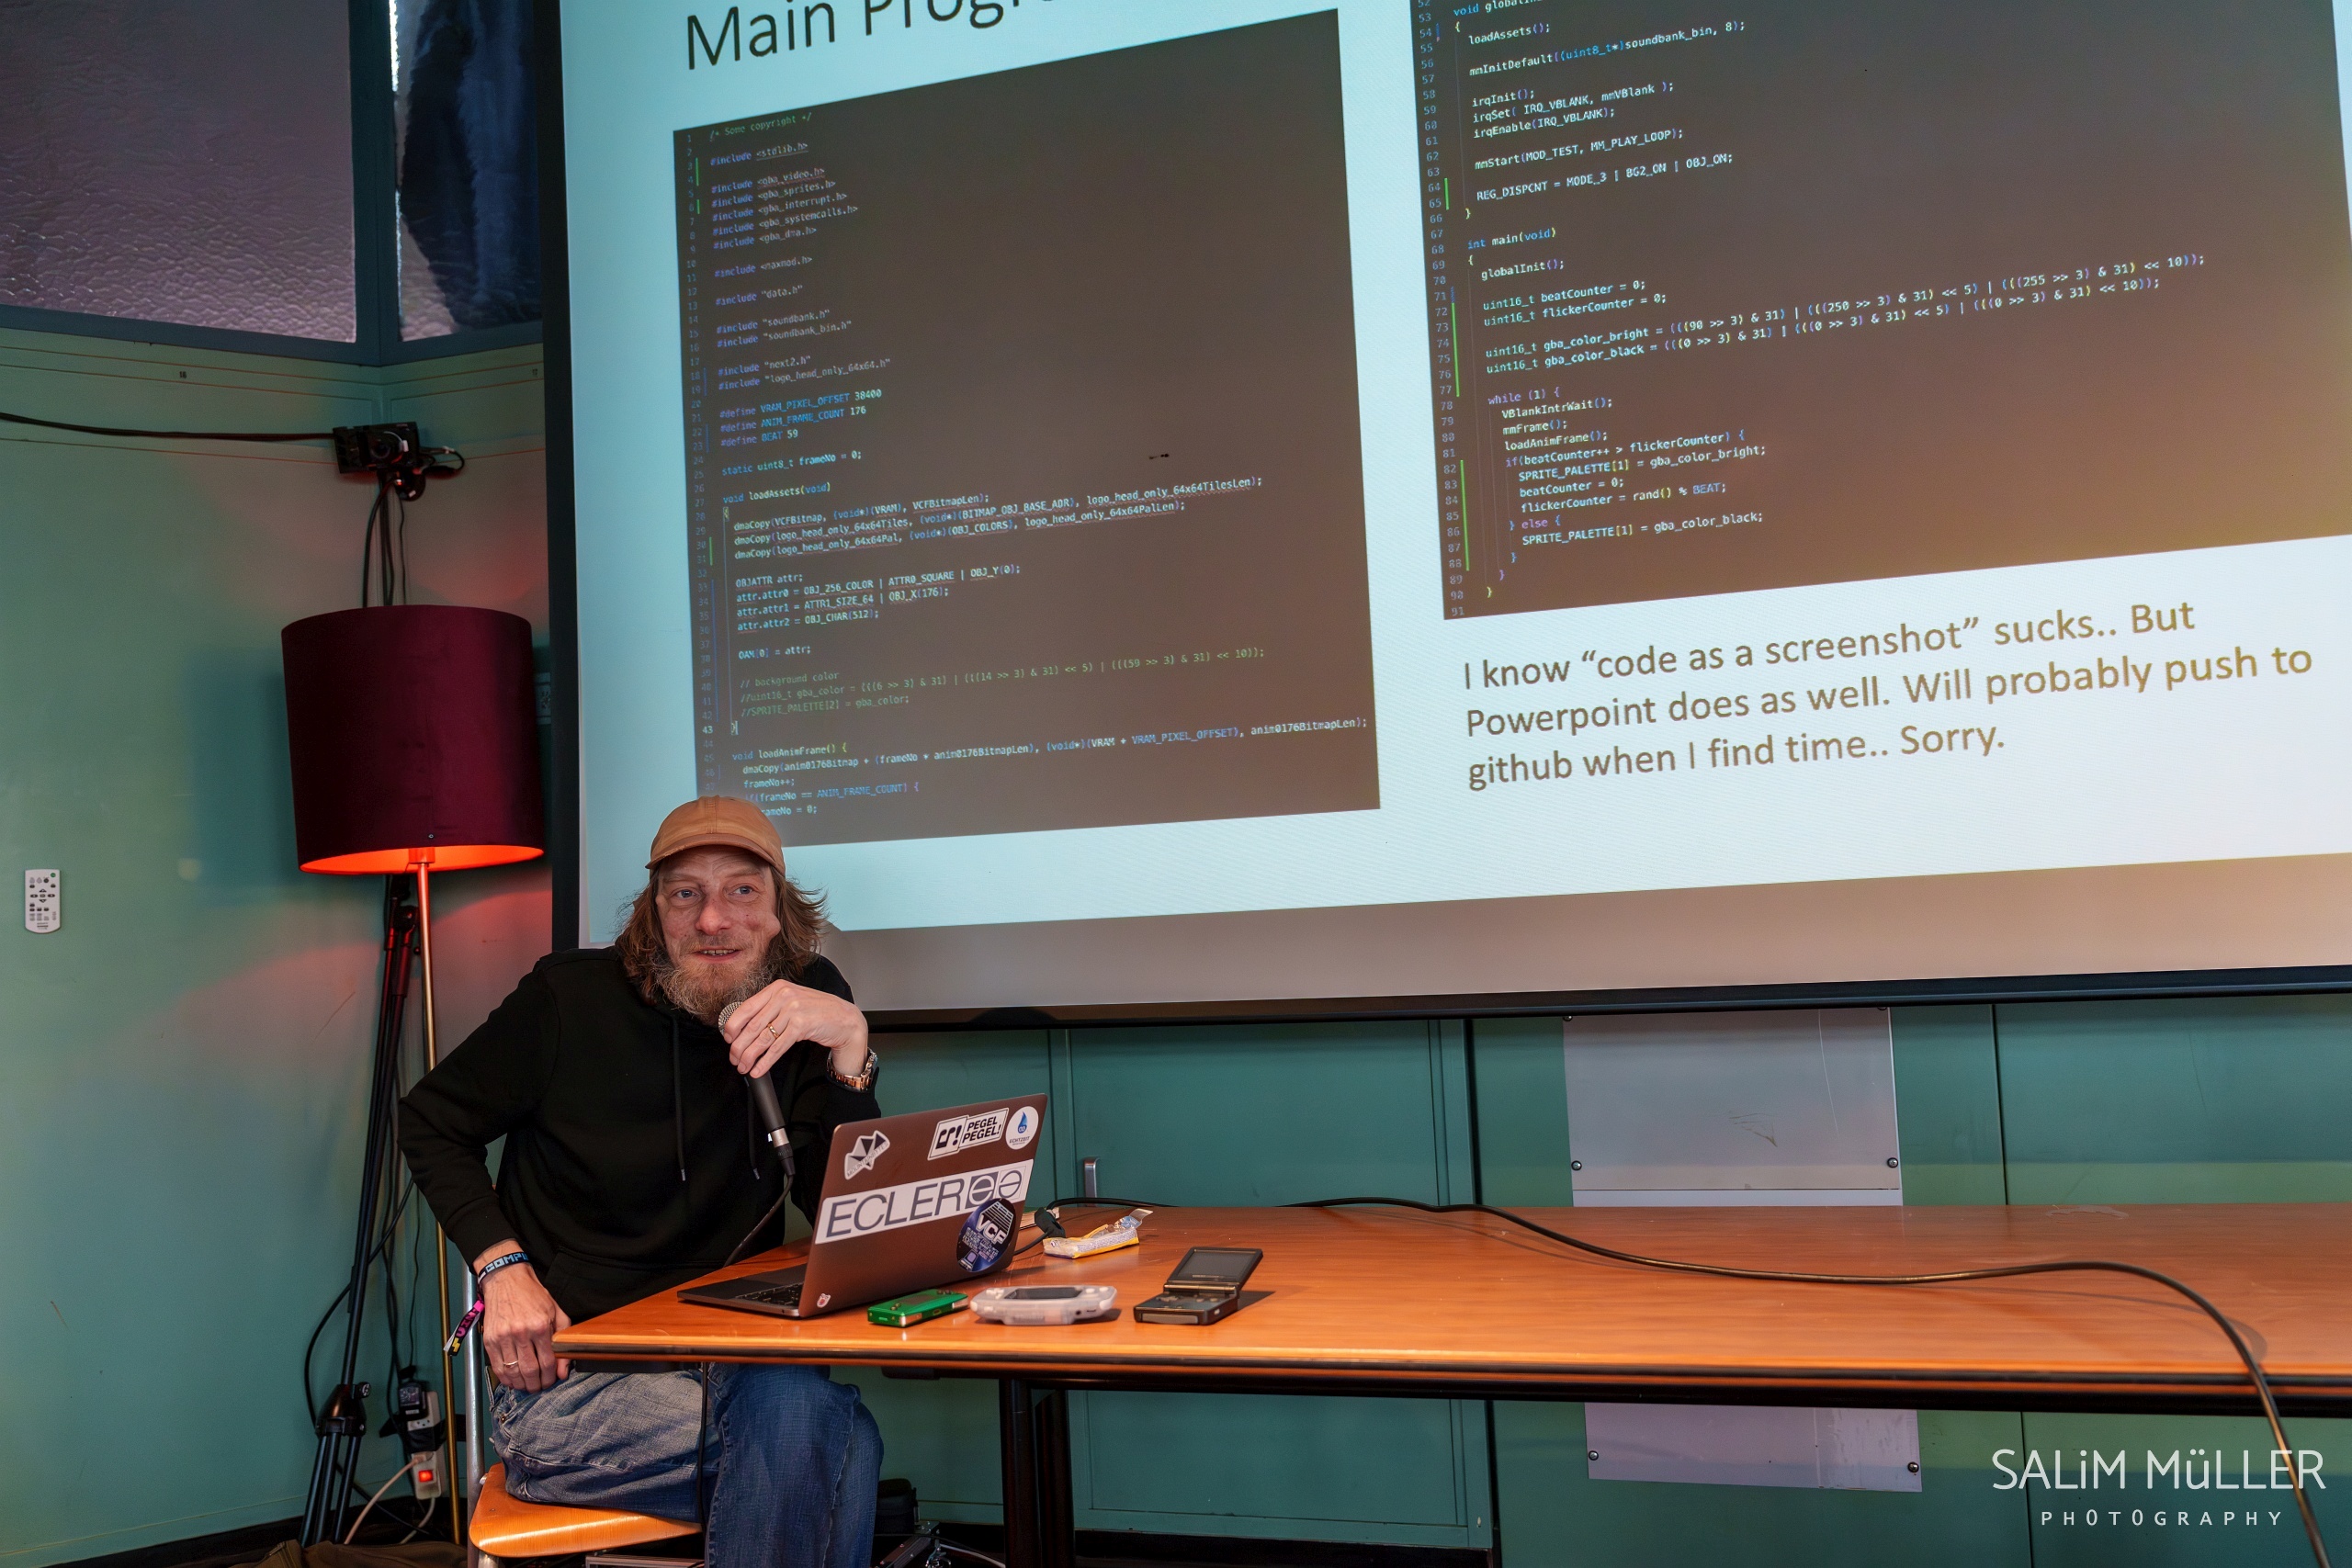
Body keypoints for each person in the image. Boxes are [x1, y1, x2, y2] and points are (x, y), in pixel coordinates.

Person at [400, 795, 884, 1566]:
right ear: (654, 911)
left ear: (779, 911)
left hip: (737, 1363)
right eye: (685, 893)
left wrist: (849, 1047)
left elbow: (840, 1213)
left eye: (741, 890)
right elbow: (429, 1121)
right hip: (570, 1384)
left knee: (809, 1421)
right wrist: (502, 1266)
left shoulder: (805, 1002)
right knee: (832, 1438)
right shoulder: (567, 999)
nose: (713, 919)